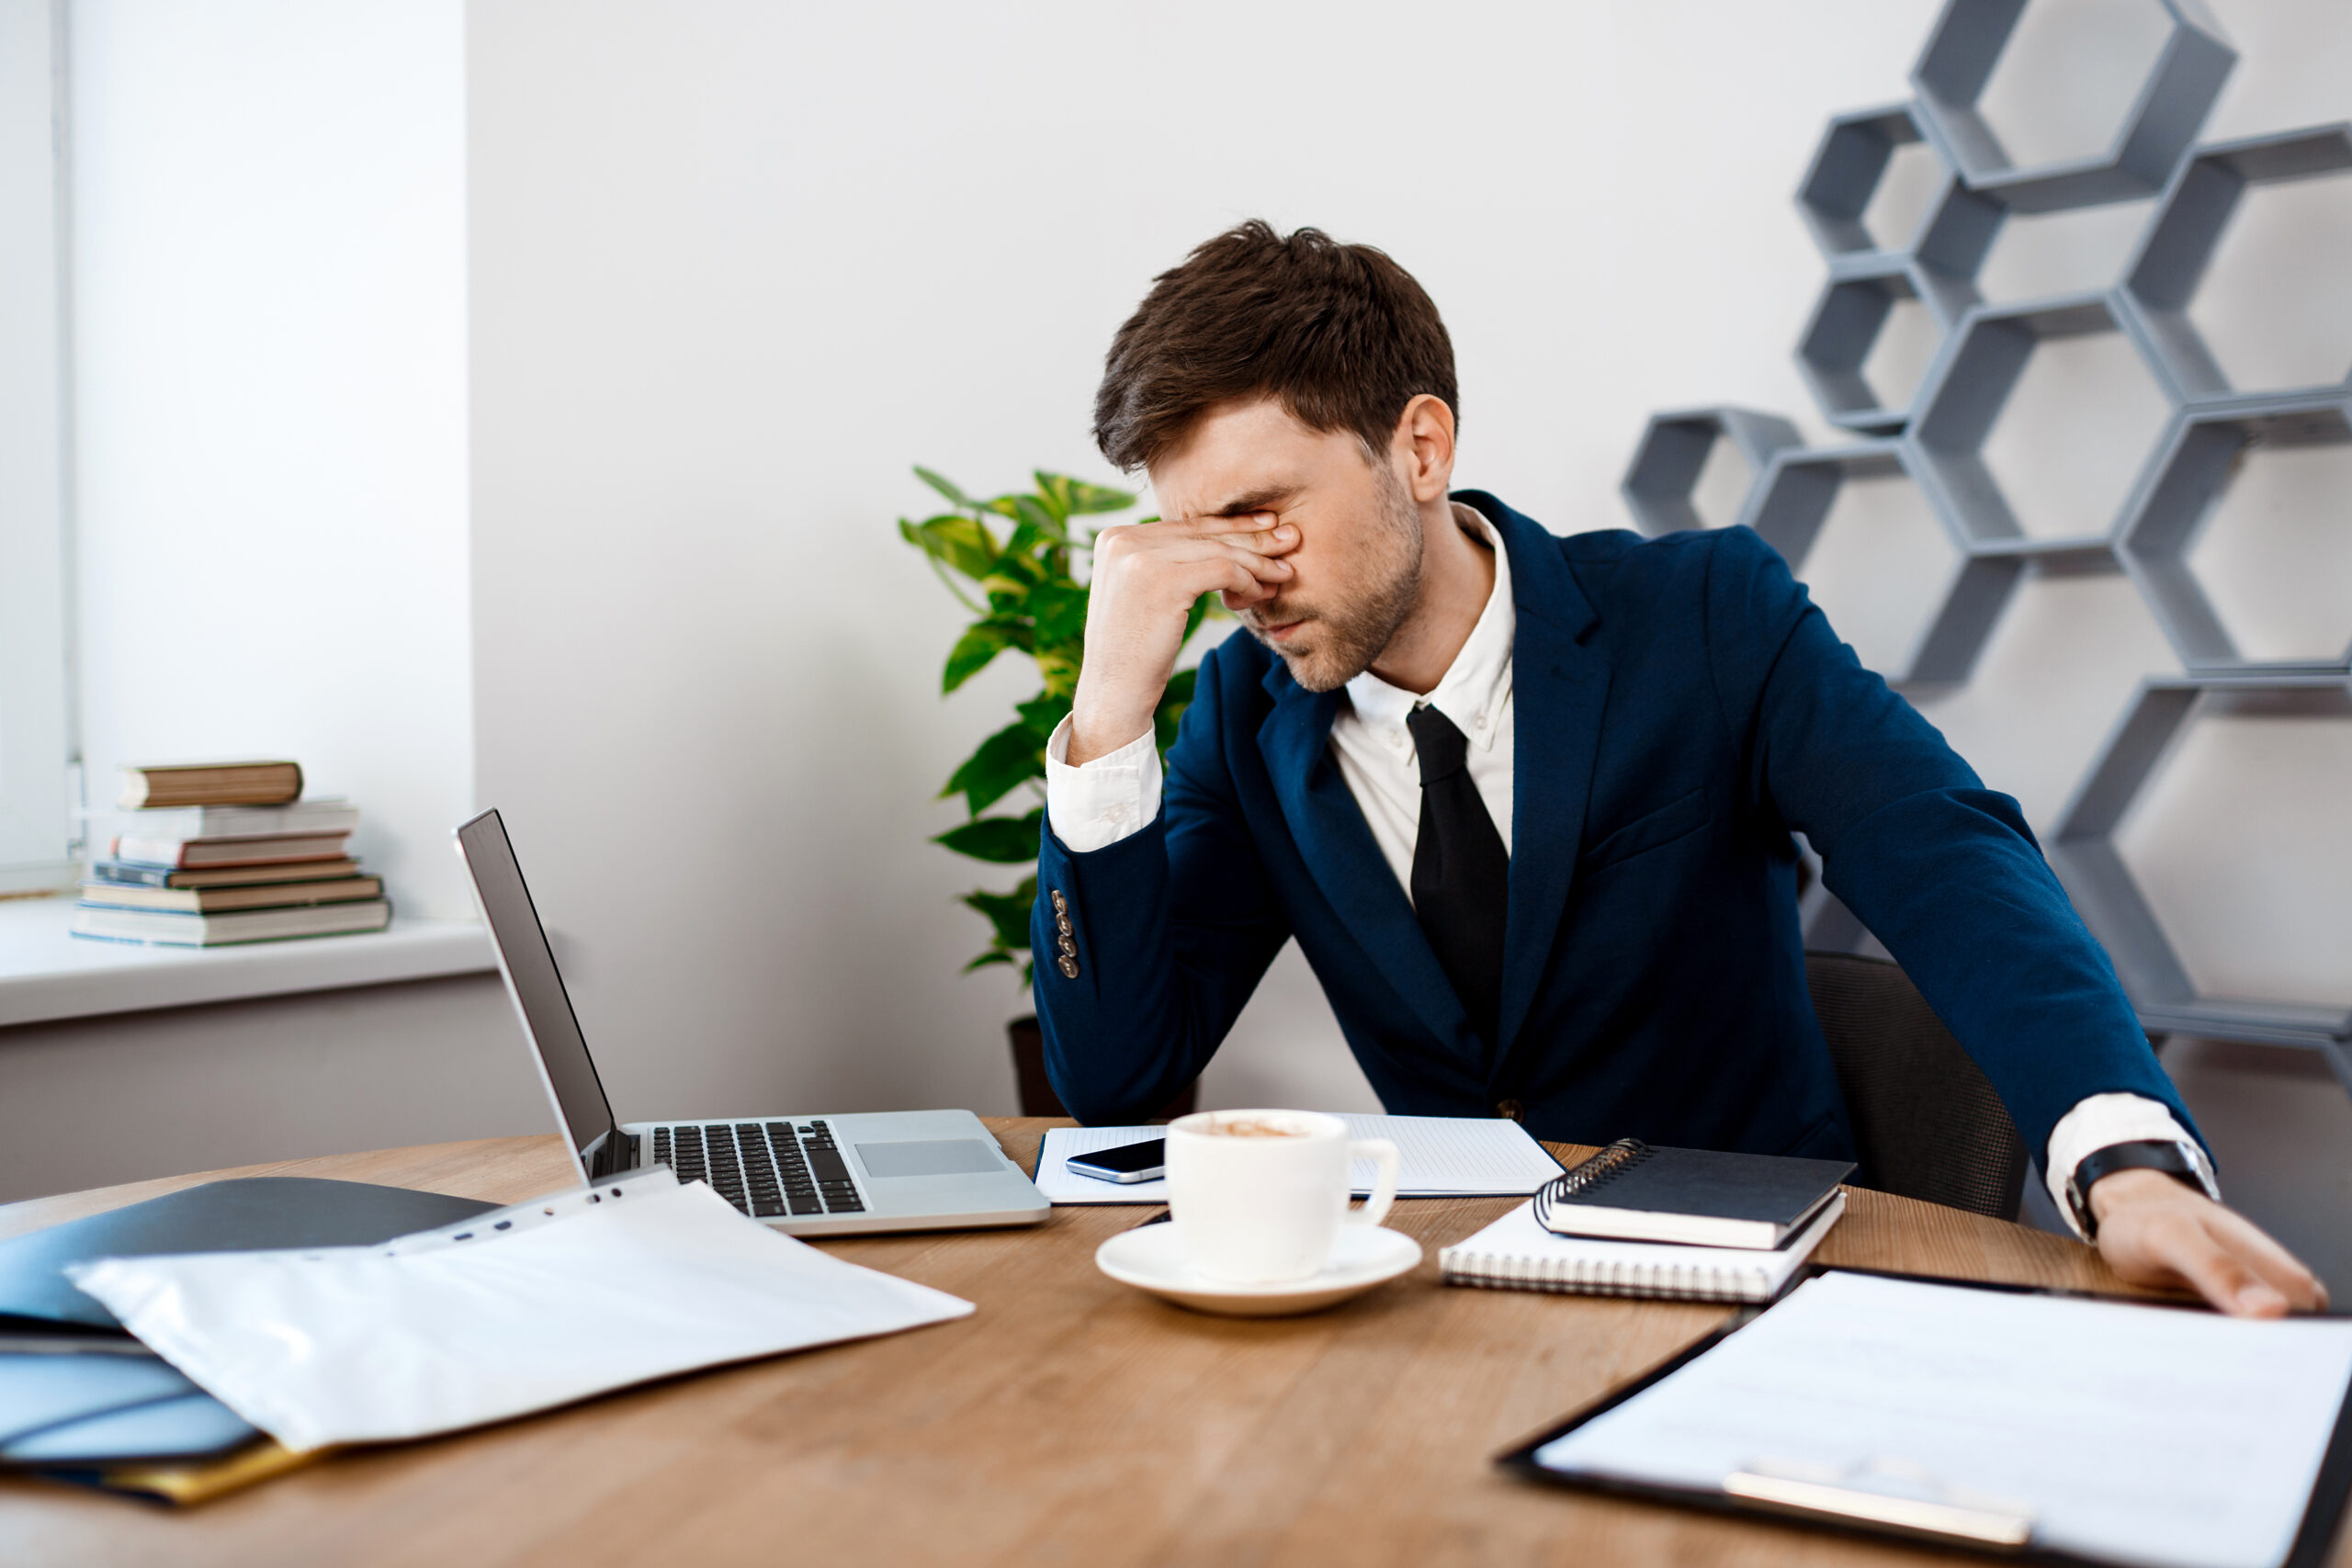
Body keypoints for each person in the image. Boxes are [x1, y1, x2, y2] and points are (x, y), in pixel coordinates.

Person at [1030, 220, 2323, 1318]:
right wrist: (1107, 716)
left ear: (1420, 449)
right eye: (1194, 530)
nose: (1238, 580)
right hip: (1451, 1297)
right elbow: (1122, 1083)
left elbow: (1946, 855)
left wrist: (2127, 1162)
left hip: (1756, 1288)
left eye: (1262, 513)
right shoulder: (1248, 713)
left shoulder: (1705, 616)